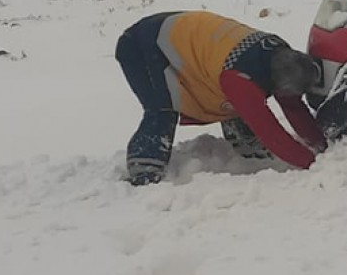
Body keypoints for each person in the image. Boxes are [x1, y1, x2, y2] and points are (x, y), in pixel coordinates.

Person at [113, 10, 326, 185]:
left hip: (183, 35)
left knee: (236, 102)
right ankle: (144, 171)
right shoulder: (239, 78)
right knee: (162, 110)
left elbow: (293, 107)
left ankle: (245, 143)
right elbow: (269, 131)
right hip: (143, 46)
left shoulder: (280, 55)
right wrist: (312, 163)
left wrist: (321, 144)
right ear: (280, 85)